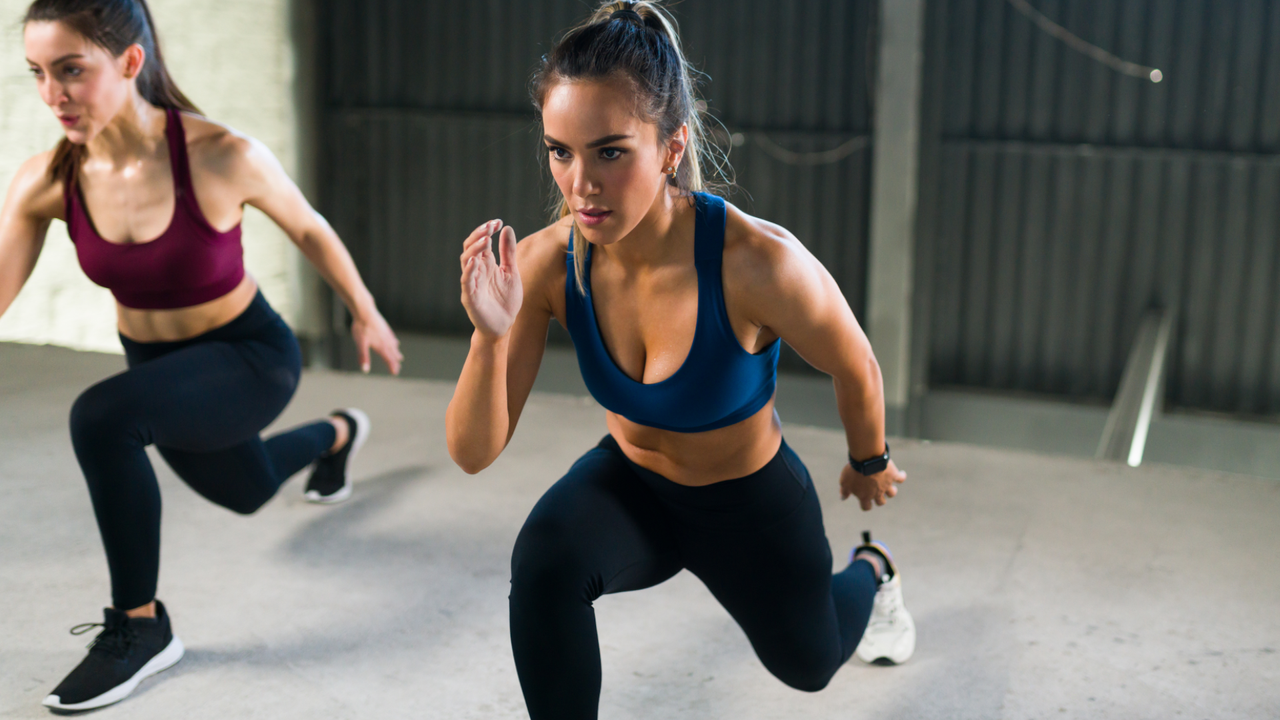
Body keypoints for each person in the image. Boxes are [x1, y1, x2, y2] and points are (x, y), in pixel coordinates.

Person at [445, 2, 916, 717]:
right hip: (634, 488)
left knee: (811, 665)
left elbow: (857, 365)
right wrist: (490, 335)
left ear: (670, 147)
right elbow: (473, 454)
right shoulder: (543, 266)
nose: (581, 184)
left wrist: (869, 461)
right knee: (544, 563)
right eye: (560, 151)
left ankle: (873, 572)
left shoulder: (757, 263)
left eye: (610, 151)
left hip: (747, 502)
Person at [0, 0, 402, 710]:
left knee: (102, 419)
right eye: (37, 73)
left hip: (249, 357)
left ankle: (141, 628)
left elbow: (308, 228)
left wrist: (363, 309)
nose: (52, 95)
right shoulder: (46, 181)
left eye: (71, 71)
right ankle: (340, 433)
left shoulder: (220, 154)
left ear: (130, 62)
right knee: (246, 491)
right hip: (156, 372)